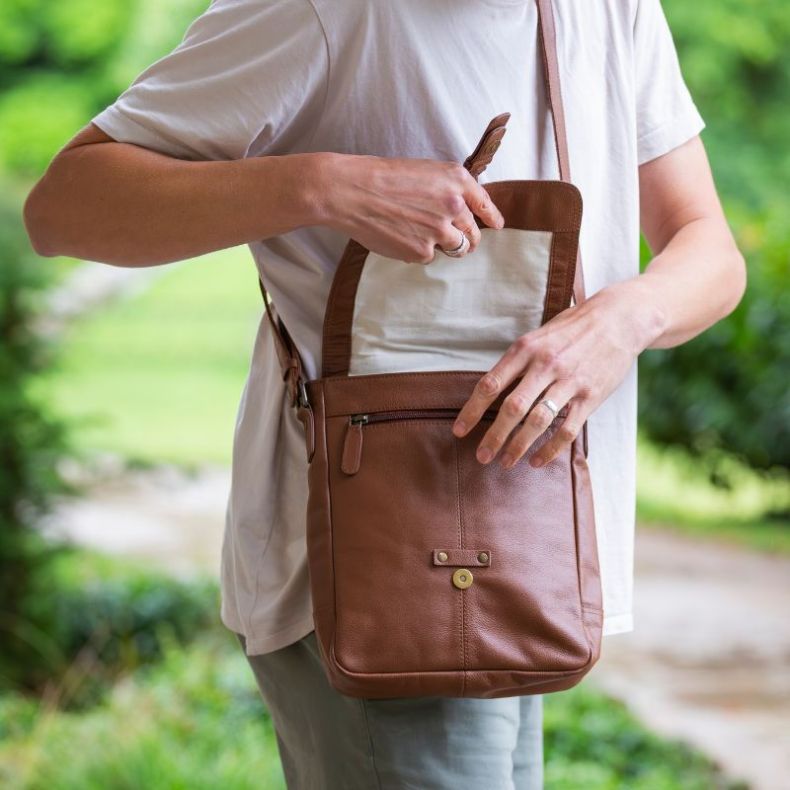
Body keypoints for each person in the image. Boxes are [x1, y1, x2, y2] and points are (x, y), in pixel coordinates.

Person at [23, 0, 745, 787]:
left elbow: (706, 243)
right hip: (379, 566)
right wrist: (322, 185)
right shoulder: (317, 14)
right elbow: (63, 207)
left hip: (530, 544)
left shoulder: (612, 11)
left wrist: (621, 321)